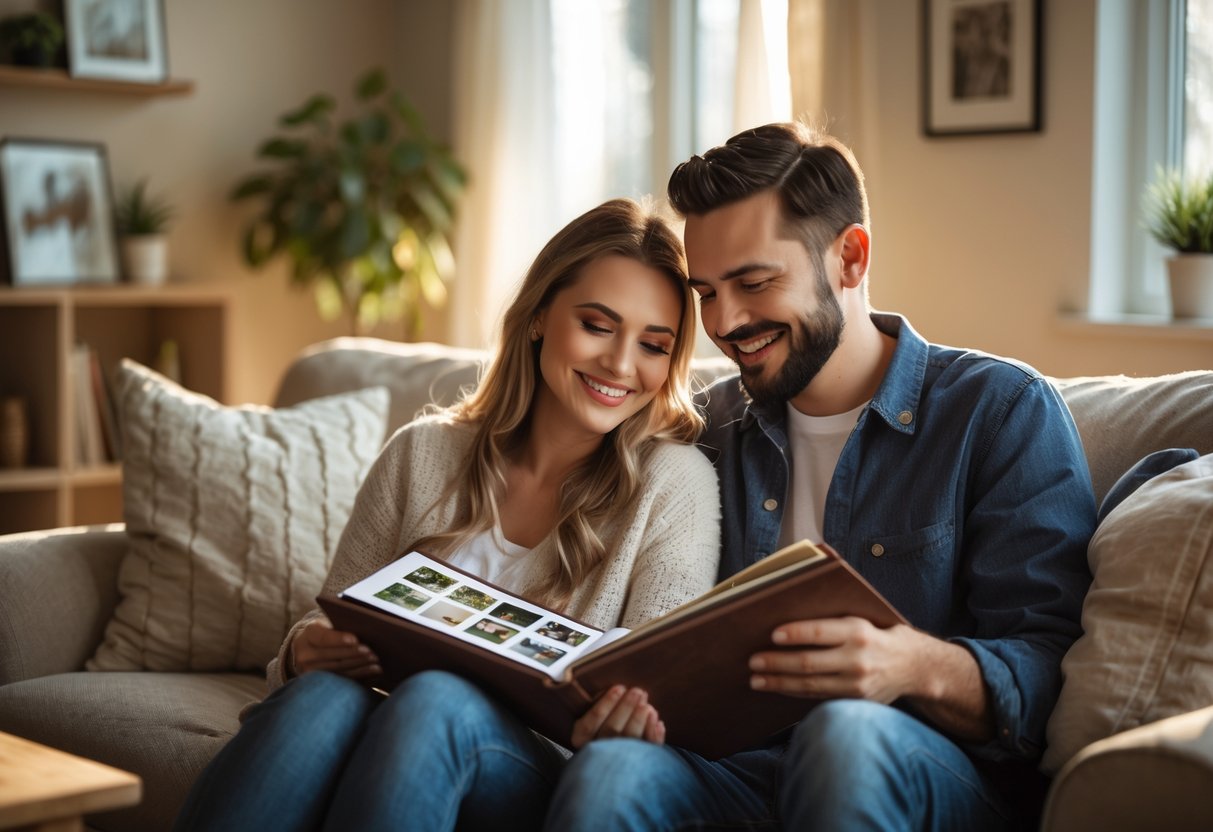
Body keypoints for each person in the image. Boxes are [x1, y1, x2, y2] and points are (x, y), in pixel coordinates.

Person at [545, 123, 1096, 830]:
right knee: (611, 771)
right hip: (739, 774)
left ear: (850, 257)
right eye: (705, 293)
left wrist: (912, 665)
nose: (725, 321)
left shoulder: (998, 412)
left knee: (843, 734)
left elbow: (1053, 672)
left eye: (753, 282)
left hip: (926, 773)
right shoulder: (705, 431)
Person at [173, 198, 722, 832]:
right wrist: (308, 652)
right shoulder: (421, 454)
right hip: (383, 729)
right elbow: (323, 621)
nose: (622, 365)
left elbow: (658, 684)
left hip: (533, 769)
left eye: (654, 345)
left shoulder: (675, 482)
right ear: (541, 315)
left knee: (435, 699)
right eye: (598, 326)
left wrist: (633, 712)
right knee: (320, 695)